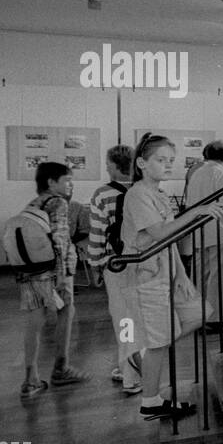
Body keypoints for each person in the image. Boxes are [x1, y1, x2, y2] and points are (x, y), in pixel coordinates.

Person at [121, 133, 223, 419]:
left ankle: (143, 348)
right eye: (161, 160)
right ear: (142, 163)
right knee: (159, 344)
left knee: (202, 311)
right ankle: (151, 400)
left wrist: (181, 274)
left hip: (166, 275)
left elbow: (170, 241)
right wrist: (197, 211)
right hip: (147, 280)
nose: (168, 165)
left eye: (171, 161)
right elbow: (160, 233)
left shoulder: (159, 194)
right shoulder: (137, 194)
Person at [17, 162, 88, 398]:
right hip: (55, 271)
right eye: (67, 179)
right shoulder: (57, 202)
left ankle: (30, 379)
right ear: (51, 182)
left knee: (33, 322)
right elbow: (59, 239)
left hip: (31, 270)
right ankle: (61, 368)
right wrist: (60, 277)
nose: (71, 184)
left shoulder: (34, 203)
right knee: (66, 313)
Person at [87, 145, 142, 393]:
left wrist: (96, 266)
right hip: (146, 264)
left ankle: (131, 376)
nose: (106, 167)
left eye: (108, 163)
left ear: (114, 165)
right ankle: (131, 367)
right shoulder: (148, 191)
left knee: (124, 320)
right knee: (139, 319)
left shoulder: (102, 195)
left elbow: (97, 235)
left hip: (117, 266)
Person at [184, 140, 223, 332]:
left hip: (199, 231)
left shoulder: (197, 172)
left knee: (200, 276)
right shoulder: (221, 173)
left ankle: (199, 318)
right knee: (219, 277)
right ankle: (216, 320)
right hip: (218, 231)